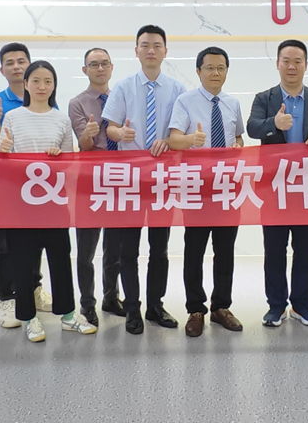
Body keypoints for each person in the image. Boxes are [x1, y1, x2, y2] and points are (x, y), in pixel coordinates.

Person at [0, 61, 98, 342]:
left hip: (53, 203)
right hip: (20, 203)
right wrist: (2, 151)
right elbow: (2, 162)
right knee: (23, 261)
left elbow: (68, 165)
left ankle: (68, 315)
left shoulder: (61, 119)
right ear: (26, 84)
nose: (42, 86)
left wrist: (58, 158)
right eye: (36, 81)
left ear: (54, 86)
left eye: (48, 81)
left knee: (60, 258)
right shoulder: (13, 117)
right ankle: (29, 318)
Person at [247, 39, 308, 328]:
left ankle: (302, 305)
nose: (291, 66)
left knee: (305, 250)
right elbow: (252, 128)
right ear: (277, 64)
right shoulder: (265, 98)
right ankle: (276, 307)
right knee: (274, 250)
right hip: (274, 186)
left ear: (306, 65)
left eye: (297, 61)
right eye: (286, 60)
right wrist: (274, 124)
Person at [103, 25, 188, 334]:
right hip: (131, 178)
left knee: (159, 248)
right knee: (128, 249)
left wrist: (169, 139)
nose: (151, 50)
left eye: (156, 45)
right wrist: (120, 133)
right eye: (145, 45)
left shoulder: (178, 89)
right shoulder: (123, 87)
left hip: (164, 177)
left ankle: (155, 306)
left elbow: (180, 131)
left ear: (165, 51)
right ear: (136, 51)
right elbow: (110, 128)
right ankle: (132, 308)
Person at [168, 46, 246, 337]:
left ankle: (221, 307)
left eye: (221, 68)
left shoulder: (232, 103)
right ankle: (195, 309)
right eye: (210, 68)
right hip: (196, 187)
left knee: (225, 251)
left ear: (226, 72)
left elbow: (238, 138)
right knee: (195, 251)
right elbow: (174, 139)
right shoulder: (185, 101)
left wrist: (237, 147)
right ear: (198, 71)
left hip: (227, 186)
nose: (215, 73)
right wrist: (192, 139)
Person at [0, 43, 50, 329]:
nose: (17, 66)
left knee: (36, 241)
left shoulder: (45, 97)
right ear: (2, 69)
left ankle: (33, 289)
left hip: (39, 185)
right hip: (7, 185)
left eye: (21, 61)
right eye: (10, 62)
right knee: (5, 243)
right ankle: (6, 298)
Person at [67, 47, 124, 327]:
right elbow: (84, 145)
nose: (100, 69)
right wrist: (88, 135)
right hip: (90, 181)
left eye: (104, 64)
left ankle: (111, 297)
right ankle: (87, 303)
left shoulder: (122, 98)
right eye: (94, 64)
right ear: (85, 70)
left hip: (119, 178)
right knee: (86, 249)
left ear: (112, 67)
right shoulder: (77, 103)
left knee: (115, 246)